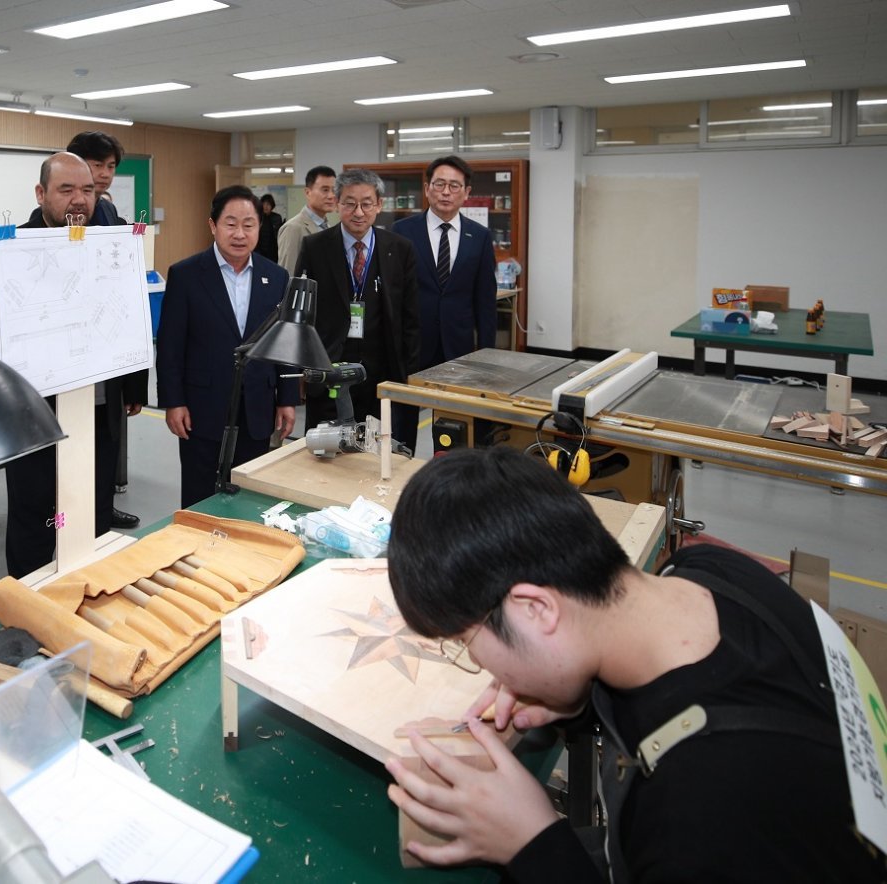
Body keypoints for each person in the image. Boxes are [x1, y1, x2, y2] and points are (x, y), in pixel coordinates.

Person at [384, 446, 884, 883]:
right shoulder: (706, 574)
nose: (475, 662)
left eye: (464, 642)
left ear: (536, 609)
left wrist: (535, 845)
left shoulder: (700, 816)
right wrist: (577, 703)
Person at [0, 152, 147, 578]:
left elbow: (132, 313)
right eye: (66, 190)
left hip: (97, 405)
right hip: (33, 412)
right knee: (38, 509)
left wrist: (134, 387)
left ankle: (87, 585)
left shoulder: (110, 243)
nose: (79, 200)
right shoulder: (8, 248)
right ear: (41, 193)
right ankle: (30, 597)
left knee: (91, 505)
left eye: (88, 190)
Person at [156, 185, 298, 509]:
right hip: (202, 408)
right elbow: (170, 345)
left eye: (249, 224)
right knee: (200, 497)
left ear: (260, 228)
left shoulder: (275, 276)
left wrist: (287, 399)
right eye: (230, 223)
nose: (240, 233)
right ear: (212, 225)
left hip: (258, 406)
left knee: (251, 496)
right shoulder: (186, 275)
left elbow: (285, 341)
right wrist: (173, 401)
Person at [294, 168, 420, 453]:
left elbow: (411, 320)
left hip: (382, 377)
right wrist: (304, 370)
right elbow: (302, 316)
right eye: (349, 203)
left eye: (367, 203)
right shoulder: (315, 247)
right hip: (329, 373)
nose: (358, 212)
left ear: (379, 205)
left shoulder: (400, 250)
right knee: (326, 454)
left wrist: (408, 376)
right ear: (337, 204)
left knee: (379, 453)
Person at [63, 130, 144, 529]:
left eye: (111, 167)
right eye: (98, 165)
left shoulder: (110, 214)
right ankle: (68, 523)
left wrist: (134, 383)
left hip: (107, 350)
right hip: (69, 356)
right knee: (69, 450)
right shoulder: (49, 222)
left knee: (106, 444)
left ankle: (101, 512)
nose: (106, 175)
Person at [392, 156, 496, 446]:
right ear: (427, 189)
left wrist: (486, 356)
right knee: (404, 417)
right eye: (439, 184)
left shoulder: (480, 237)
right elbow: (393, 295)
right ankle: (400, 467)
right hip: (412, 344)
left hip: (459, 346)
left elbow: (485, 302)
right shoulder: (402, 232)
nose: (446, 192)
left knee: (455, 422)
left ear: (466, 193)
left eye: (454, 185)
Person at [277, 165, 336, 274]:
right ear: (308, 192)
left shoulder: (328, 227)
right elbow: (287, 273)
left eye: (334, 190)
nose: (331, 196)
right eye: (325, 190)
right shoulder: (293, 228)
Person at [254, 193, 283, 262]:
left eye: (268, 204)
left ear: (272, 206)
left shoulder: (277, 217)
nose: (266, 207)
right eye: (264, 204)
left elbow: (279, 235)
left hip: (273, 252)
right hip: (259, 251)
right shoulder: (257, 218)